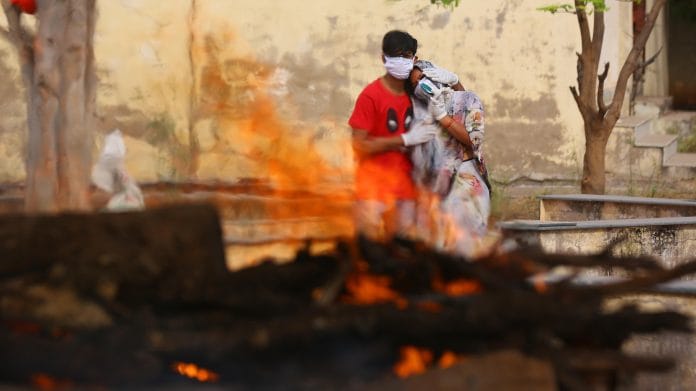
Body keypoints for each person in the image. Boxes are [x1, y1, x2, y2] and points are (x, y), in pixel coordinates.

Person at [348, 30, 437, 240]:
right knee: (368, 251)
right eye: (396, 56)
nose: (402, 61)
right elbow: (358, 145)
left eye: (407, 56)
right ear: (383, 58)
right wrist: (404, 139)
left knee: (401, 255)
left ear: (415, 59)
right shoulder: (370, 96)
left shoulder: (417, 96)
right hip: (372, 189)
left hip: (405, 189)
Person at [406, 60, 491, 257]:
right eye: (414, 84)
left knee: (467, 247)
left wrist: (444, 116)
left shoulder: (467, 99)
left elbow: (473, 139)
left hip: (466, 177)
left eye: (423, 77)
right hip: (434, 185)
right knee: (438, 249)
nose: (421, 85)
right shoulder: (417, 111)